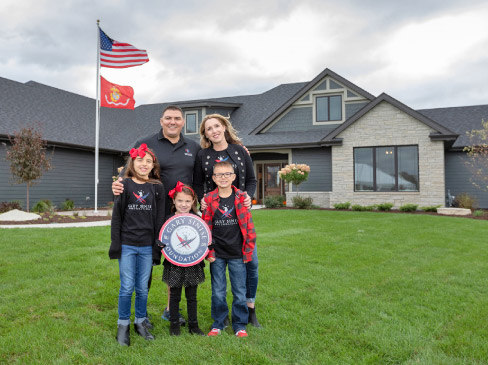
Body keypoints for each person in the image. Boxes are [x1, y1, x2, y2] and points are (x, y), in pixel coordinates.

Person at [112, 105, 200, 327]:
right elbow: (127, 174)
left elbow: (201, 176)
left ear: (183, 122)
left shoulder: (193, 147)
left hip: (179, 213)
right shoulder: (146, 142)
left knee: (176, 263)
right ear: (161, 121)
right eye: (168, 118)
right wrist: (117, 186)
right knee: (148, 262)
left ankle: (171, 310)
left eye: (177, 118)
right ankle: (142, 314)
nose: (173, 122)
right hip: (148, 213)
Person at [194, 114, 261, 327]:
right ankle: (222, 317)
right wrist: (202, 199)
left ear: (224, 127)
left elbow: (251, 180)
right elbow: (197, 183)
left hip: (239, 215)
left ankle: (249, 309)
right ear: (205, 134)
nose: (213, 130)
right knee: (219, 266)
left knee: (252, 263)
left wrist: (248, 196)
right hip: (216, 216)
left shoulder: (240, 151)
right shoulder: (203, 155)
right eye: (208, 128)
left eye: (216, 126)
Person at [109, 144, 165, 346]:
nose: (144, 164)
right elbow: (117, 217)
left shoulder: (157, 187)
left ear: (153, 165)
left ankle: (140, 322)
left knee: (142, 288)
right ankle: (122, 325)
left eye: (148, 161)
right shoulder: (125, 185)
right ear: (133, 162)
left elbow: (159, 219)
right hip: (127, 245)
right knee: (126, 287)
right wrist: (116, 243)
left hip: (147, 246)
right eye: (140, 160)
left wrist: (157, 247)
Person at [202, 161, 256, 337]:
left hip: (237, 254)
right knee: (218, 291)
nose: (223, 177)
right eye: (219, 174)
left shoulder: (241, 198)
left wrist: (247, 251)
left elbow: (249, 228)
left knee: (239, 291)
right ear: (213, 178)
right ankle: (218, 323)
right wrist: (209, 251)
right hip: (217, 254)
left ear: (233, 177)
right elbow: (205, 228)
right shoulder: (209, 199)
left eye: (227, 174)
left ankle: (240, 325)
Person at [160, 181, 206, 336]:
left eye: (187, 201)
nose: (184, 204)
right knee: (174, 296)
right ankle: (174, 326)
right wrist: (159, 245)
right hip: (174, 264)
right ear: (173, 201)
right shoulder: (168, 219)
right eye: (180, 200)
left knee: (192, 296)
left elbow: (203, 239)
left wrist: (209, 245)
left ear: (193, 201)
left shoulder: (197, 219)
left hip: (193, 263)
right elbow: (161, 239)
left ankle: (194, 325)